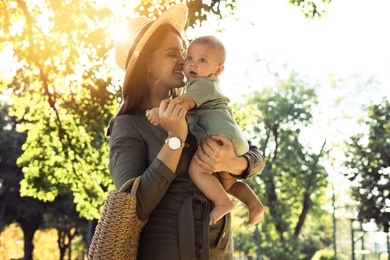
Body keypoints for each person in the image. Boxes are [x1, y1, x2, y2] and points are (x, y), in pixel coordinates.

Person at [107, 3, 266, 259]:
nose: (183, 61)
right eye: (173, 53)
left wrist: (235, 163)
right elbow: (135, 206)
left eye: (183, 53)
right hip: (169, 250)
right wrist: (175, 138)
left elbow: (256, 156)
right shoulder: (128, 125)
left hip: (219, 250)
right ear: (147, 64)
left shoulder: (197, 110)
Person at [146, 35, 265, 226]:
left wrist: (158, 112)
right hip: (232, 139)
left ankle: (222, 202)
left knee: (197, 169)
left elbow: (182, 104)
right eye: (190, 58)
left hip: (220, 138)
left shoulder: (202, 84)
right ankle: (254, 205)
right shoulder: (204, 85)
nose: (192, 64)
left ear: (218, 70)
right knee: (229, 183)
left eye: (202, 60)